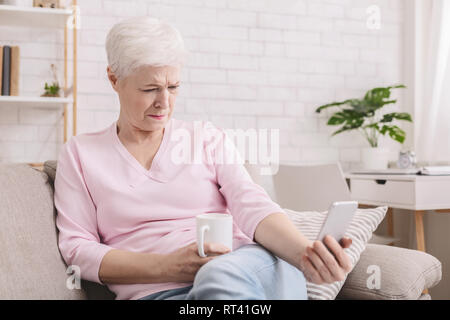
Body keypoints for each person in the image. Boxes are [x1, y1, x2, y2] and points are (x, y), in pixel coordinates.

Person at [54, 16, 353, 301]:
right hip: (157, 293)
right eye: (150, 89)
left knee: (219, 277)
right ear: (114, 78)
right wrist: (166, 266)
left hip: (243, 269)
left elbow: (252, 203)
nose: (164, 102)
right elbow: (77, 249)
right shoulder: (80, 154)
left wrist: (305, 253)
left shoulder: (206, 138)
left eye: (173, 87)